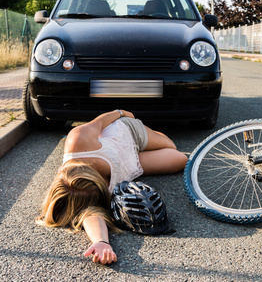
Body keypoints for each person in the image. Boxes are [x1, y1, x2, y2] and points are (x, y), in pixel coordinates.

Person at [36, 110, 188, 264]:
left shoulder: (78, 140)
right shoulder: (84, 194)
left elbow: (100, 122)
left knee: (171, 145)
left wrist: (121, 112)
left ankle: (146, 128)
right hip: (134, 163)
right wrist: (101, 242)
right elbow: (90, 215)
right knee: (181, 160)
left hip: (127, 132)